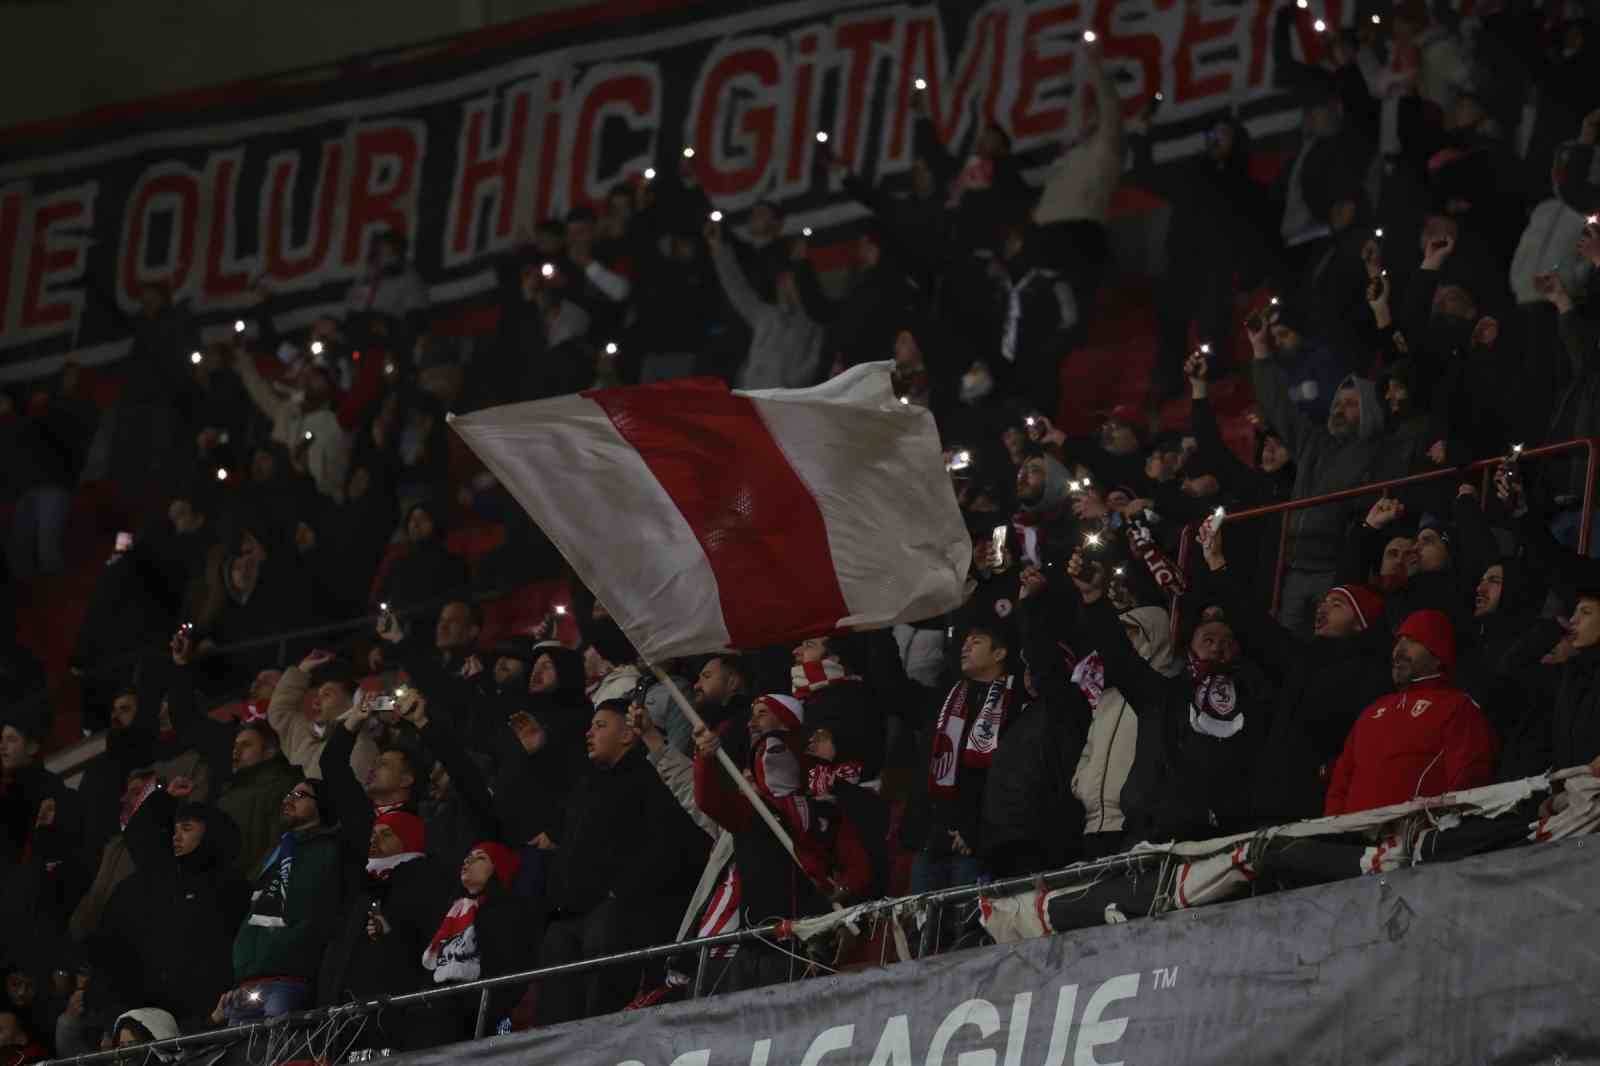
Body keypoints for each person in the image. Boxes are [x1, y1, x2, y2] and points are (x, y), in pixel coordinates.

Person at [1201, 520, 1393, 825]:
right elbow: (1253, 622)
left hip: (1322, 810)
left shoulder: (1372, 674)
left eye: (1337, 604)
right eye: (1324, 601)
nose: (1322, 608)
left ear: (1361, 623)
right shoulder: (1300, 659)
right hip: (1267, 806)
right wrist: (1217, 564)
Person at [536, 700, 709, 1025]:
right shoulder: (585, 784)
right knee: (554, 1012)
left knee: (601, 1010)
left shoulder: (649, 778)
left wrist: (620, 892)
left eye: (601, 725)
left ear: (628, 734)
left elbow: (670, 844)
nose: (590, 733)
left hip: (618, 915)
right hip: (567, 916)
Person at [1069, 550, 1255, 840]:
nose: (1218, 647)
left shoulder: (1251, 697)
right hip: (1146, 831)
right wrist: (1094, 598)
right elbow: (1119, 656)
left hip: (1209, 835)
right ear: (1189, 646)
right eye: (1208, 639)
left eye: (1227, 642)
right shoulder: (1163, 694)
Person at [1251, 308, 1386, 634]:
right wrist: (1259, 347)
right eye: (1338, 403)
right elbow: (1278, 407)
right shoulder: (1315, 442)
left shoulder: (1376, 454)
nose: (1339, 409)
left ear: (1369, 411)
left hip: (1334, 571)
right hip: (1294, 570)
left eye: (1351, 404)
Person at [1324, 610, 1500, 816]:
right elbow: (1341, 780)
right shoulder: (1372, 710)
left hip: (1410, 838)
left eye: (1412, 641)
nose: (1398, 650)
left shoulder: (1458, 706)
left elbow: (1469, 777)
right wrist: (1333, 828)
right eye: (1398, 641)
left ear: (1438, 655)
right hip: (1350, 840)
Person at [92, 802, 247, 1029]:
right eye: (175, 831)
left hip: (212, 1010)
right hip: (164, 1013)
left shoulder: (233, 887)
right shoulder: (166, 885)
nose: (176, 837)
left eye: (186, 829)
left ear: (210, 832)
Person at [222, 777, 345, 1024]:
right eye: (288, 793)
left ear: (322, 805)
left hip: (289, 976)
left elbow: (319, 908)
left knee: (278, 1057)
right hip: (250, 980)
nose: (289, 799)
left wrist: (291, 945)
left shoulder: (330, 850)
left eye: (301, 795)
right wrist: (242, 960)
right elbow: (255, 910)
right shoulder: (277, 852)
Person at [1066, 600, 1182, 859]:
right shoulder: (1106, 692)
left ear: (1153, 634)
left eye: (1132, 632)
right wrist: (1080, 784)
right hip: (1093, 824)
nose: (1124, 640)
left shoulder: (1167, 690)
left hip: (1133, 825)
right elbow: (1089, 747)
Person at [913, 622, 1017, 893]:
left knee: (966, 929)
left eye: (977, 641)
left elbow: (1007, 777)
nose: (965, 647)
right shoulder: (946, 697)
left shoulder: (1014, 701)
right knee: (924, 929)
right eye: (965, 642)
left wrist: (975, 828)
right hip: (932, 838)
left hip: (974, 842)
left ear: (999, 654)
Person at [705, 219, 823, 390]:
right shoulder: (766, 315)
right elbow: (737, 289)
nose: (784, 284)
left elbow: (814, 362)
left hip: (783, 405)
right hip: (750, 398)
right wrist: (719, 249)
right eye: (782, 280)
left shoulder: (811, 321)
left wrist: (788, 387)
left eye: (790, 279)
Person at [264, 651, 379, 783]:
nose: (316, 702)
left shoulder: (361, 745)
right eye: (318, 695)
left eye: (327, 695)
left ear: (353, 701)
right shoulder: (303, 735)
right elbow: (279, 711)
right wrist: (302, 670)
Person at [215, 721, 304, 882]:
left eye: (246, 745)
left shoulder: (283, 786)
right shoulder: (227, 790)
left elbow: (279, 844)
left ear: (269, 751)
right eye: (235, 745)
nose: (236, 750)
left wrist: (249, 886)